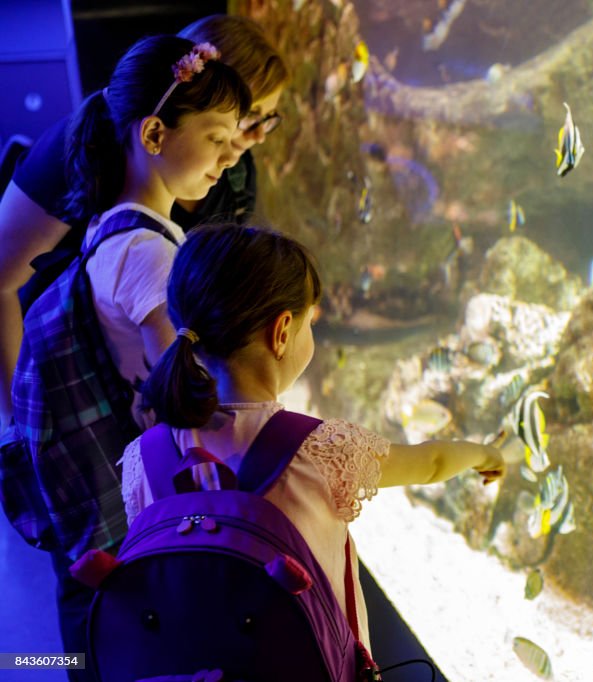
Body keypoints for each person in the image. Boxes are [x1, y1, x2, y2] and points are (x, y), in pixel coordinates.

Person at [123, 223, 506, 650]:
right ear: (283, 331)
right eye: (311, 322)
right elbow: (431, 463)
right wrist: (482, 453)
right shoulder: (321, 452)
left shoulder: (144, 456)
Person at [11, 35, 251, 681]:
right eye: (218, 134)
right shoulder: (150, 254)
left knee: (94, 636)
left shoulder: (109, 226)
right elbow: (183, 395)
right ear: (154, 133)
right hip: (146, 504)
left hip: (109, 497)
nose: (231, 155)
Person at [0, 14, 287, 425]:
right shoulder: (85, 152)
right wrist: (14, 427)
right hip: (60, 378)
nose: (258, 134)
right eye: (249, 114)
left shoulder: (235, 178)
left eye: (269, 119)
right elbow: (2, 278)